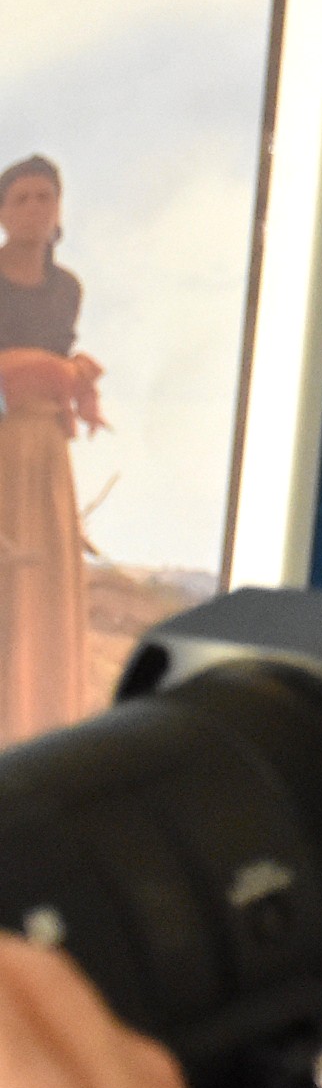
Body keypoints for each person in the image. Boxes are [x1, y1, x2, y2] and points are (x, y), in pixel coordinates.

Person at [0, 153, 103, 742]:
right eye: (21, 198)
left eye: (45, 196)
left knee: (44, 591)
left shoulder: (67, 290)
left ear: (59, 208)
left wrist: (77, 381)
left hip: (46, 451)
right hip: (2, 441)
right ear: (3, 213)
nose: (35, 208)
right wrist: (32, 369)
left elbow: (62, 365)